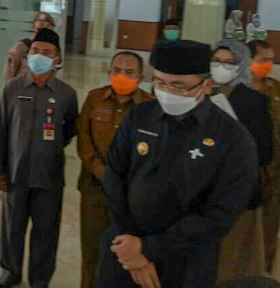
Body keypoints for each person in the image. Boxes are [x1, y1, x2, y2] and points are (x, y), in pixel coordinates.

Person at [97, 40, 259, 288]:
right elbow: (114, 175)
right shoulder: (140, 116)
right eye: (160, 83)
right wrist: (130, 243)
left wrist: (148, 249)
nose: (167, 92)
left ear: (207, 85)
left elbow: (220, 214)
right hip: (124, 247)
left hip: (185, 260)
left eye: (179, 86)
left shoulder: (233, 138)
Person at [0, 28, 79, 288]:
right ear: (28, 54)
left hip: (49, 176)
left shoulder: (66, 93)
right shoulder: (12, 88)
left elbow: (69, 130)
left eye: (47, 52)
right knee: (11, 229)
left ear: (57, 59)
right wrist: (0, 168)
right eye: (35, 50)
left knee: (46, 231)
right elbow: (1, 130)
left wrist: (47, 149)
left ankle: (40, 280)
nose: (39, 55)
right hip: (15, 173)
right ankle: (9, 274)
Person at [77, 51, 154, 288]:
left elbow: (153, 151)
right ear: (109, 72)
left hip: (132, 196)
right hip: (95, 189)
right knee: (91, 251)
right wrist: (105, 175)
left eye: (129, 72)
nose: (122, 76)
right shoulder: (94, 98)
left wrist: (125, 181)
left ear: (141, 77)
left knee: (124, 254)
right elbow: (84, 141)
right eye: (116, 70)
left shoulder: (150, 106)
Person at [211, 39, 273, 282]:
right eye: (216, 61)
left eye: (229, 62)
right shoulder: (200, 94)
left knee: (232, 264)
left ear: (241, 65)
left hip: (238, 195)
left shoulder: (254, 101)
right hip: (200, 193)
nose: (221, 67)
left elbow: (265, 152)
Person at [249, 39, 280, 271]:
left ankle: (264, 272)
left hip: (274, 171)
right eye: (263, 60)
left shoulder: (276, 89)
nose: (268, 64)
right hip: (247, 169)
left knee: (269, 225)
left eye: (271, 60)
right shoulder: (236, 89)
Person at [3, 12, 55, 82]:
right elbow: (9, 72)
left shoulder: (53, 50)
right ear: (33, 27)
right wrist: (12, 87)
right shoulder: (21, 47)